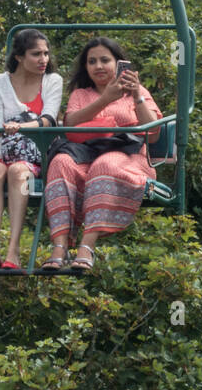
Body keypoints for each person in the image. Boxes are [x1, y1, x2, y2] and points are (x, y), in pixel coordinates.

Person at [41, 37, 162, 272]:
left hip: (128, 155)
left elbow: (154, 132)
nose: (98, 66)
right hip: (87, 153)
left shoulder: (137, 92)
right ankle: (60, 245)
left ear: (118, 64)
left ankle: (86, 246)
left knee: (105, 165)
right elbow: (70, 124)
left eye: (105, 60)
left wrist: (136, 94)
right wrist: (106, 99)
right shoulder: (81, 94)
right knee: (60, 162)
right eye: (92, 61)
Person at [0, 28, 62, 270]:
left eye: (45, 53)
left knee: (17, 172)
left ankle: (13, 251)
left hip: (36, 151)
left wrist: (21, 126)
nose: (43, 59)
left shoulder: (52, 81)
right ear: (19, 57)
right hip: (6, 150)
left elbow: (49, 119)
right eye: (36, 54)